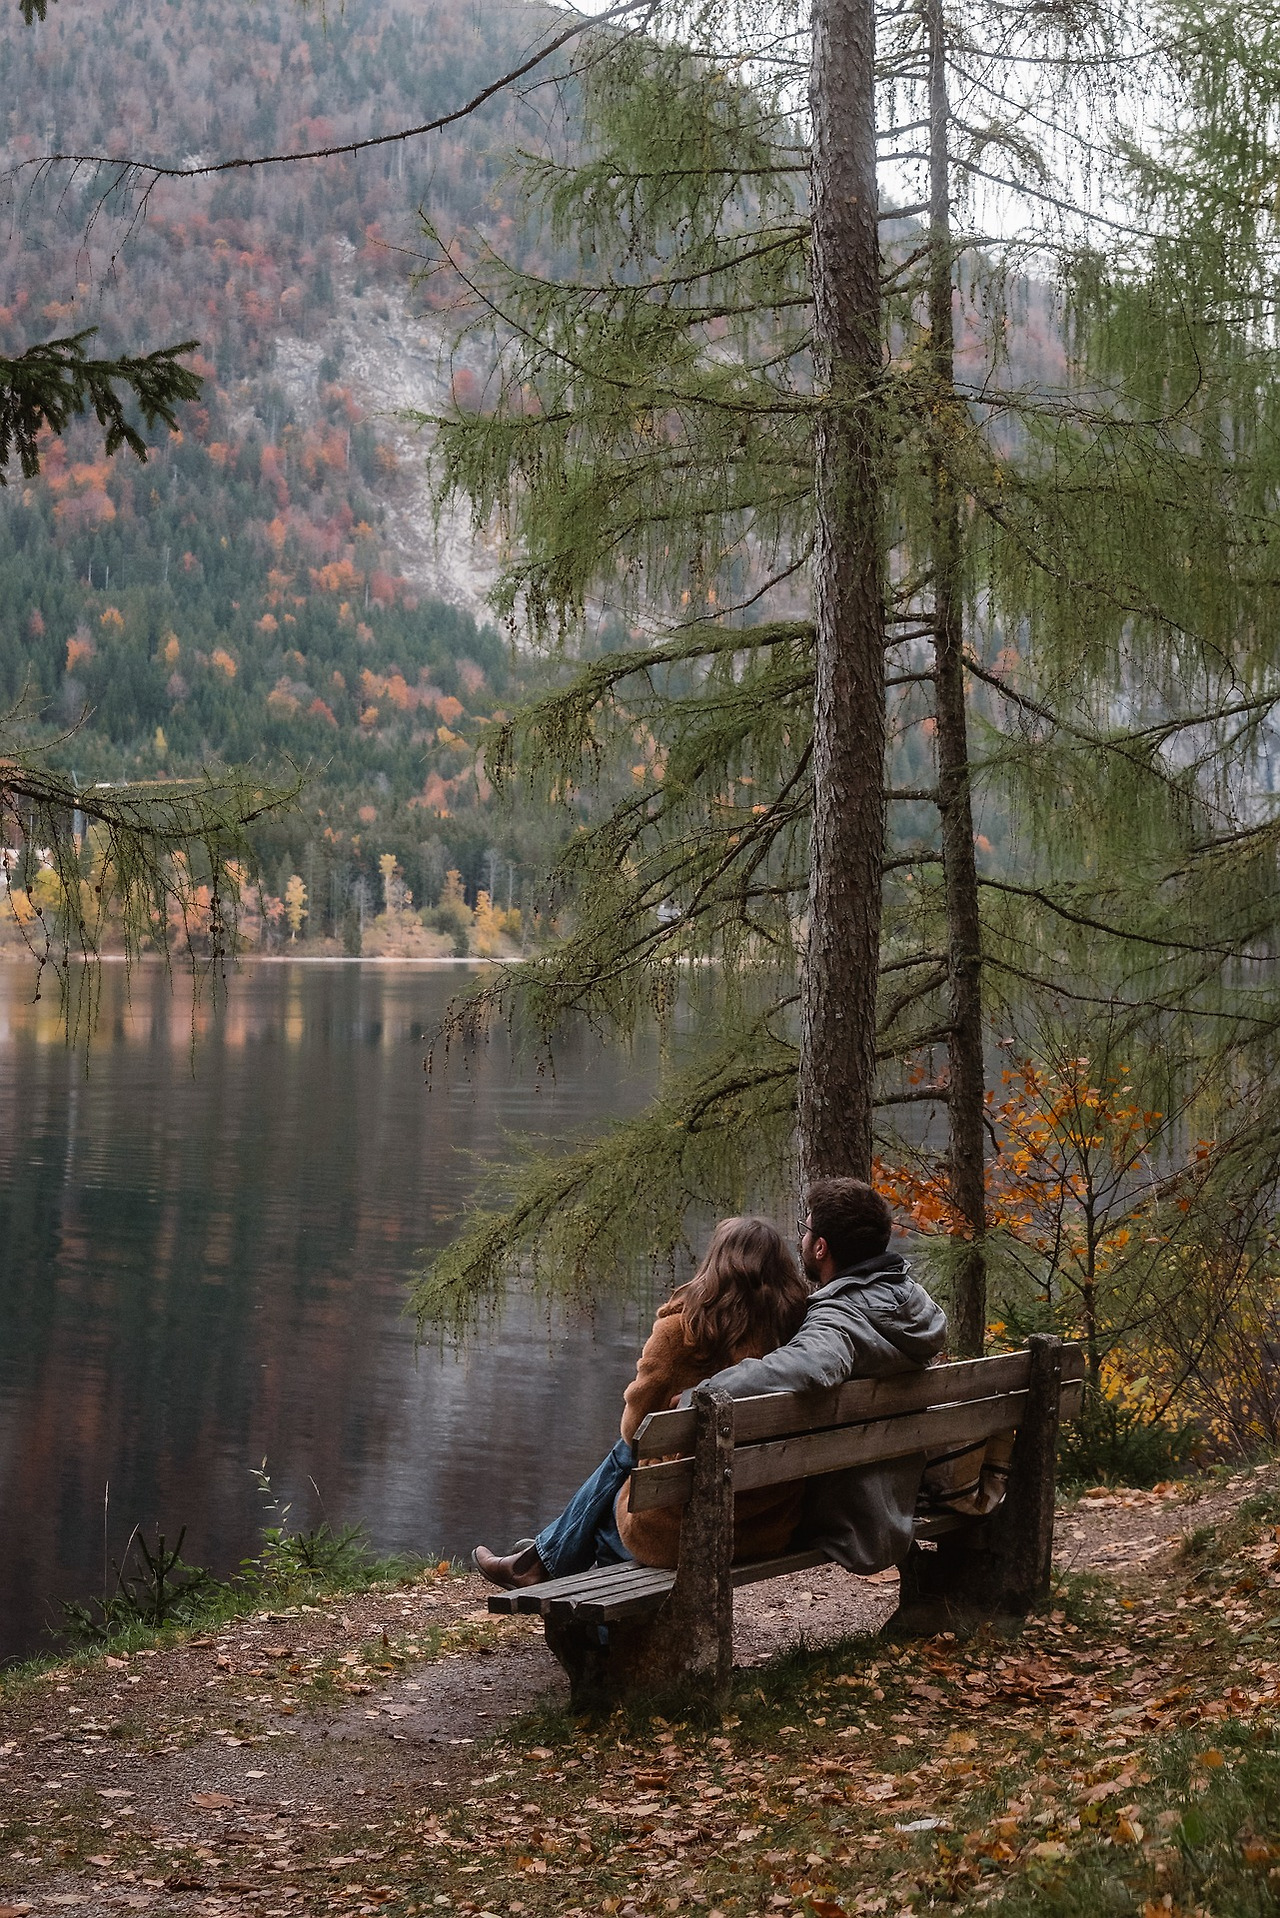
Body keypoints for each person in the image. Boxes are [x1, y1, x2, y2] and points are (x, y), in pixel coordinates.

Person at [472, 1215, 810, 1589]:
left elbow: (635, 1433)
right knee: (631, 1471)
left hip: (682, 1530)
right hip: (768, 1527)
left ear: (714, 1264)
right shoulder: (799, 1334)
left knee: (617, 1478)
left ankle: (545, 1570)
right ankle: (538, 1559)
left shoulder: (684, 1333)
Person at [686, 1177, 948, 1573]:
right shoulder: (913, 1301)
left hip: (846, 1515)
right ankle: (553, 1549)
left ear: (821, 1247)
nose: (801, 1240)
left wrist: (705, 1392)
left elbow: (813, 1366)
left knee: (627, 1456)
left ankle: (555, 1555)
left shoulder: (840, 1318)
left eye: (805, 1230)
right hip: (894, 1496)